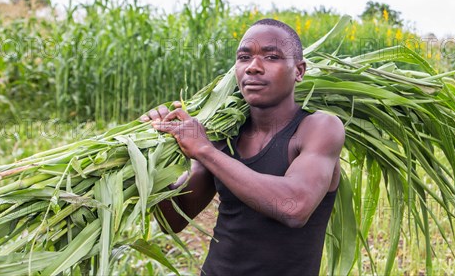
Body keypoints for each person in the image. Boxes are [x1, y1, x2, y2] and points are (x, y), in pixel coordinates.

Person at [140, 19, 345, 275]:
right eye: (244, 57)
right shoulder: (224, 136)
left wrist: (204, 150)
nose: (253, 68)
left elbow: (294, 207)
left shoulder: (319, 128)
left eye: (271, 57)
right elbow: (175, 220)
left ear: (299, 71)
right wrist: (151, 155)